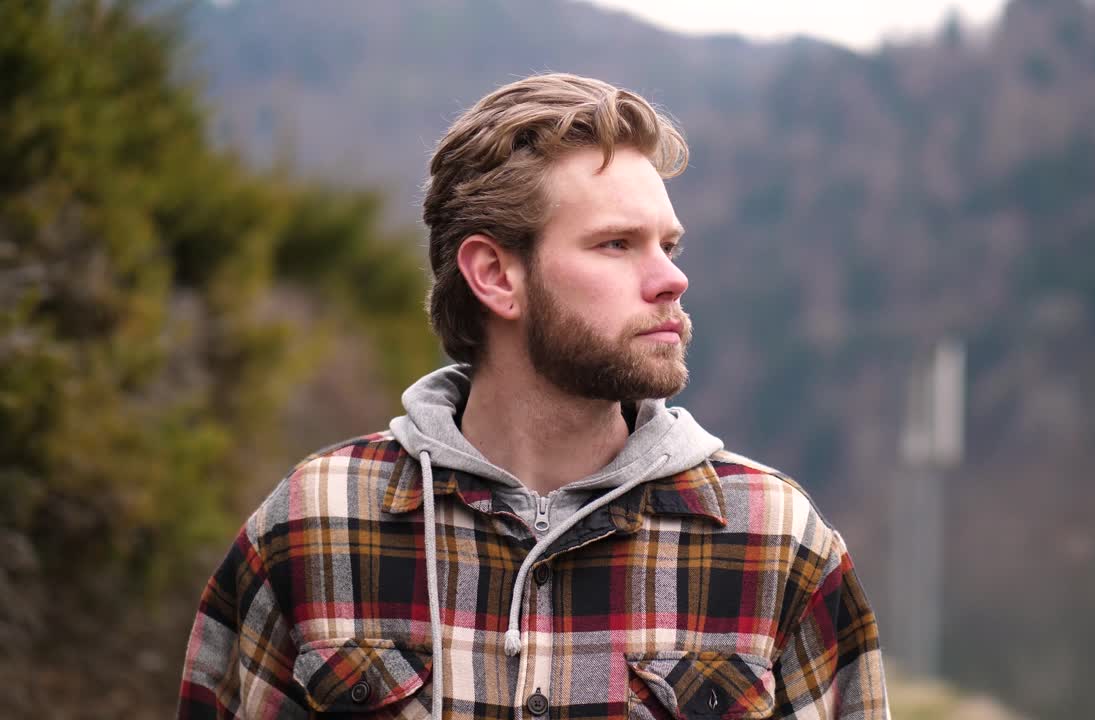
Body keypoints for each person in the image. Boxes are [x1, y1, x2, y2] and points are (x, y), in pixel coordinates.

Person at [177, 73, 889, 719]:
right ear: (495, 275)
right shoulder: (313, 526)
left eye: (669, 246)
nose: (671, 279)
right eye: (617, 244)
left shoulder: (775, 542)